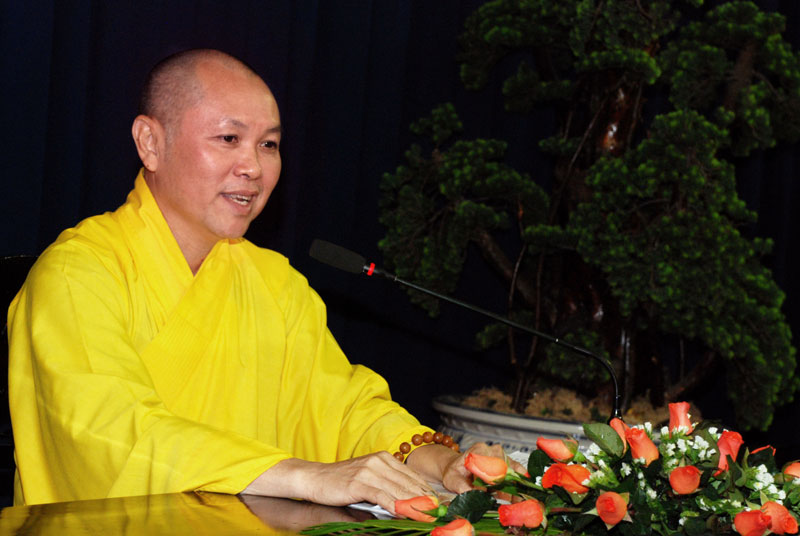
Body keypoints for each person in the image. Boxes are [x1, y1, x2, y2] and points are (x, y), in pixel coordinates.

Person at [7, 49, 509, 509]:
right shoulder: (76, 274)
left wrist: (438, 461)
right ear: (150, 143)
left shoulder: (274, 283)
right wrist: (305, 476)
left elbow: (340, 409)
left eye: (268, 144)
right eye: (229, 139)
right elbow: (109, 432)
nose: (253, 167)